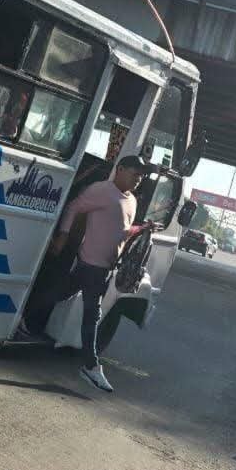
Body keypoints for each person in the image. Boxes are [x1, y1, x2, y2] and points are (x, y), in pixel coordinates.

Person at [46, 154, 156, 394]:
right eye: (135, 173)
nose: (138, 179)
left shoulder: (132, 201)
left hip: (105, 267)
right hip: (91, 264)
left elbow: (123, 231)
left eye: (141, 175)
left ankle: (27, 319)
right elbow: (74, 207)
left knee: (61, 293)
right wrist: (63, 235)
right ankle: (91, 366)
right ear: (120, 169)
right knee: (92, 315)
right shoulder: (101, 190)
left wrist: (142, 229)